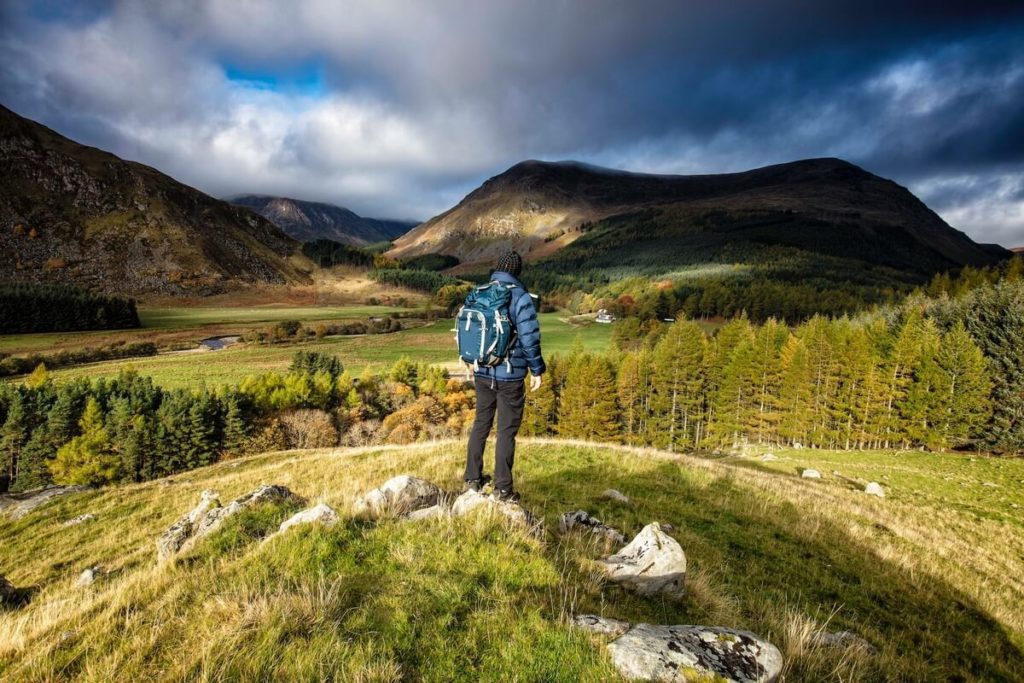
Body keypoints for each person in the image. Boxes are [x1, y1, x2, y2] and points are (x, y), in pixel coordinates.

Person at [464, 249, 545, 502]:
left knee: (480, 425)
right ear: (517, 271)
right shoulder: (520, 298)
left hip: (481, 370)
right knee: (506, 431)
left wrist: (469, 359)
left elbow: (469, 328)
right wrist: (537, 369)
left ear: (497, 267)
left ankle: (472, 481)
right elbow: (529, 337)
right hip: (510, 375)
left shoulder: (480, 292)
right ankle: (502, 489)